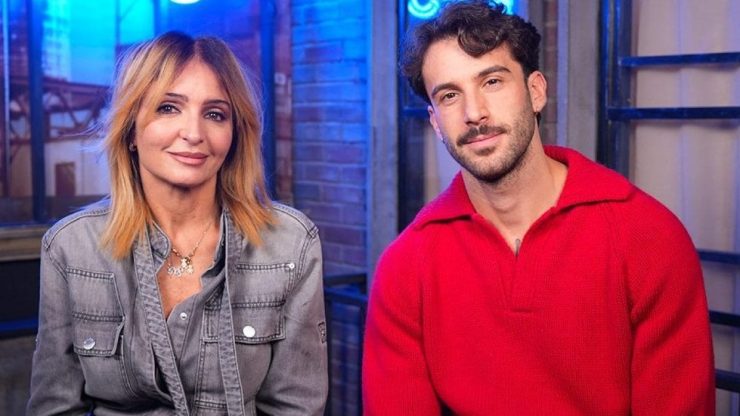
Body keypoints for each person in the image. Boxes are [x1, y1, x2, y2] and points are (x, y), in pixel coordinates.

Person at [362, 1, 715, 414]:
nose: (474, 113)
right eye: (450, 95)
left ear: (535, 92)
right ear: (436, 122)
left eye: (492, 81)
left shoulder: (649, 239)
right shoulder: (405, 267)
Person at [27, 32, 327, 415]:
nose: (194, 134)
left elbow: (295, 407)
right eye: (168, 108)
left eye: (215, 114)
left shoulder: (289, 243)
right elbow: (54, 406)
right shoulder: (71, 246)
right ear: (131, 129)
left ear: (234, 135)